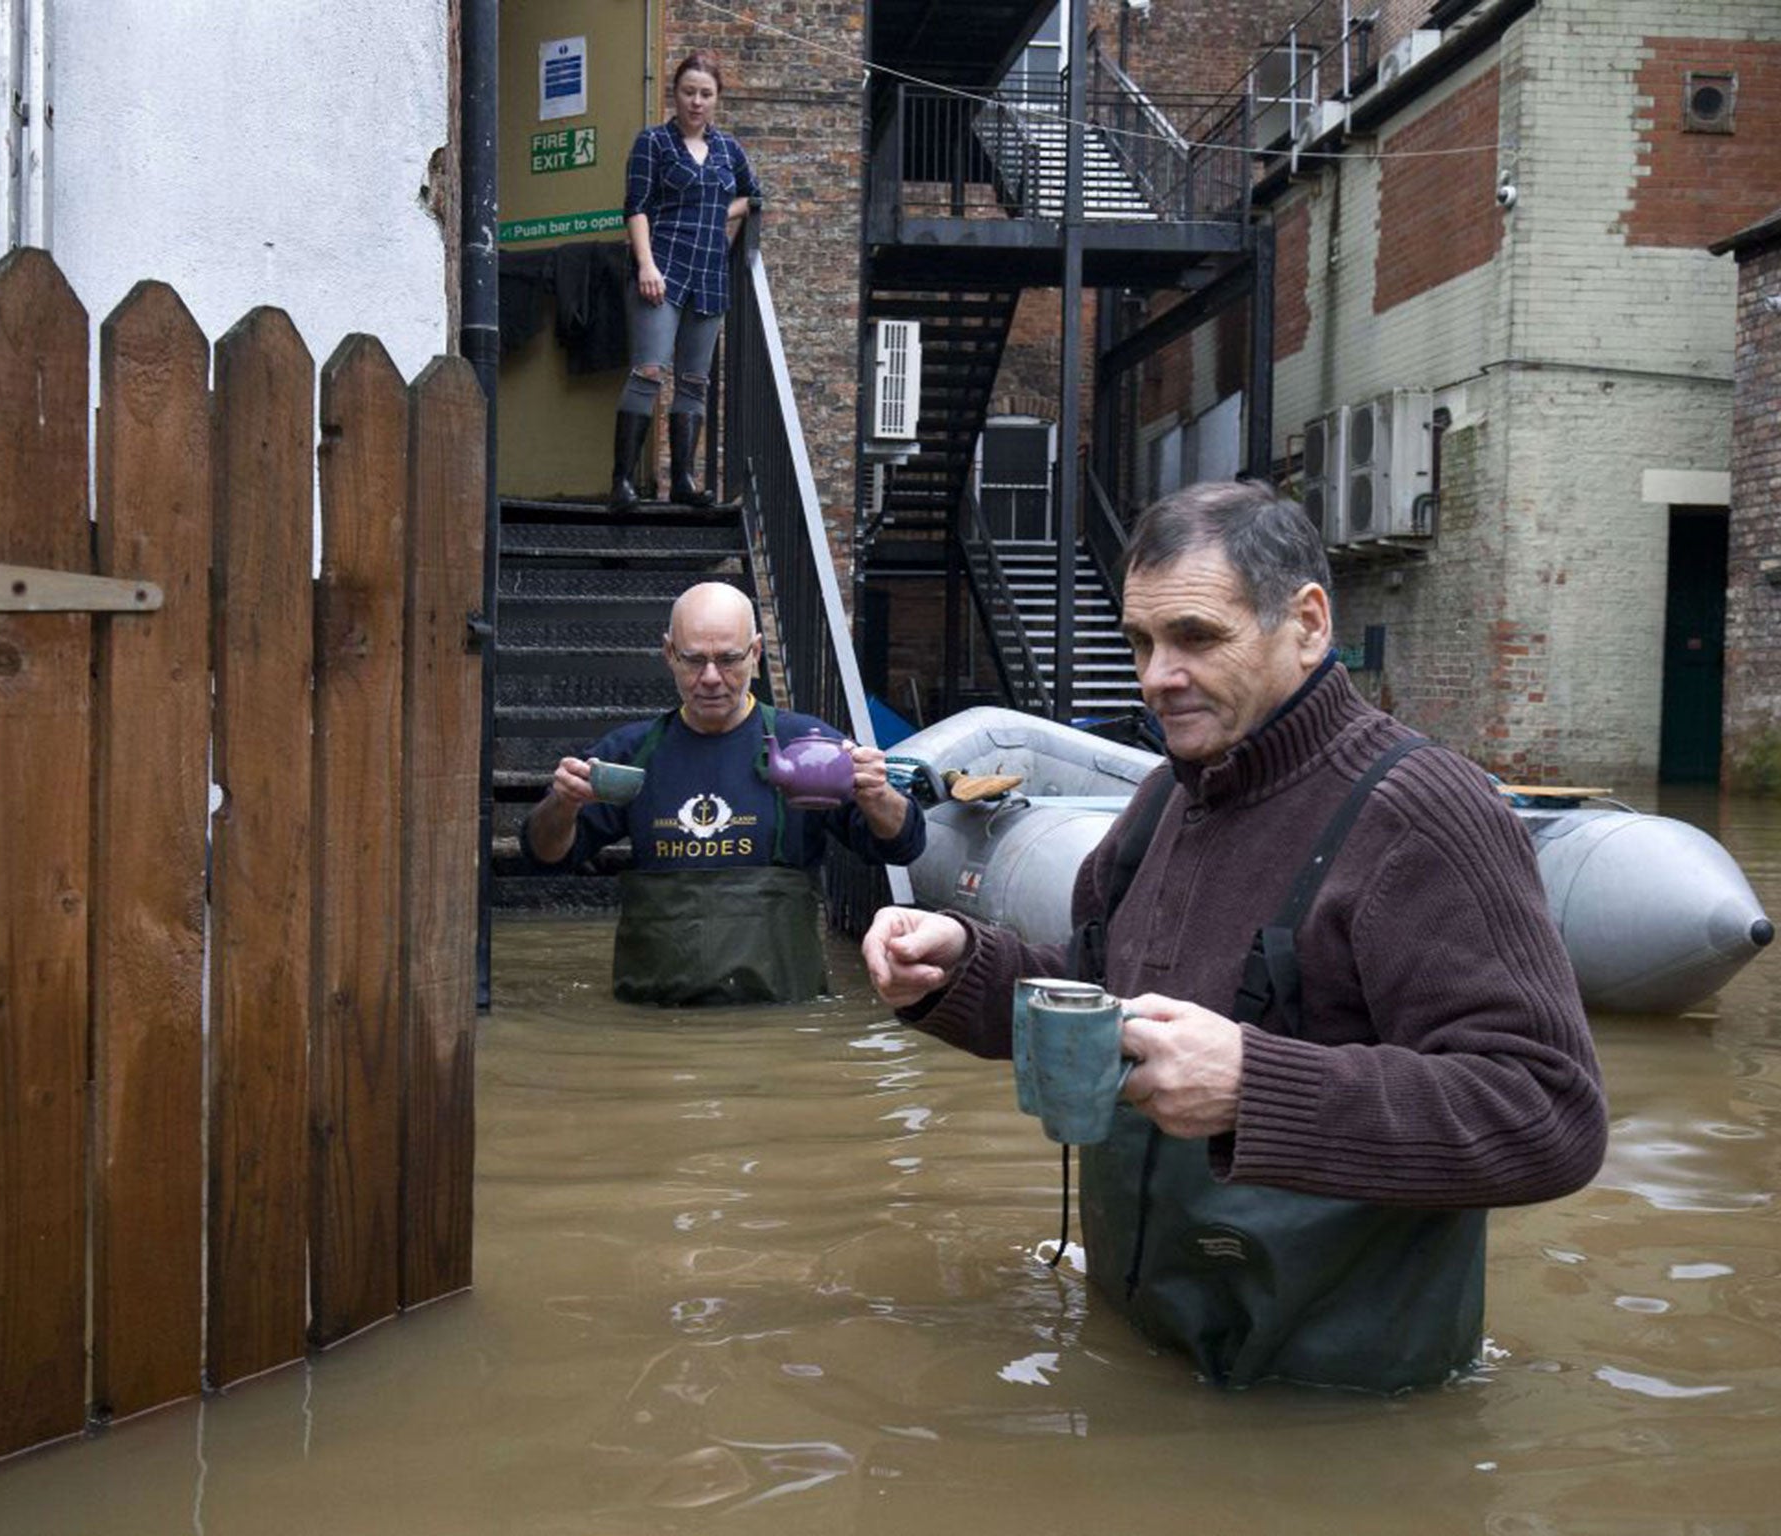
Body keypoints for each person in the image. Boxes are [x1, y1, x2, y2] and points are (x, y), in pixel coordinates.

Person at [860, 479, 1608, 1392]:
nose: (1155, 677)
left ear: (1308, 623)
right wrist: (961, 969)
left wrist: (1257, 1088)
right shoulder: (1161, 802)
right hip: (1146, 1365)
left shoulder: (1425, 817)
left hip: (1340, 1411)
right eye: (1140, 641)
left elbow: (1550, 1115)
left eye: (1196, 638)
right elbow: (1099, 997)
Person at [523, 581, 924, 1007]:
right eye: (694, 660)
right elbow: (544, 855)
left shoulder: (807, 748)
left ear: (755, 652)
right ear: (668, 654)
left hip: (779, 1022)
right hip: (656, 1024)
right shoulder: (628, 755)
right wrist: (563, 803)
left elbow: (903, 845)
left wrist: (878, 794)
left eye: (729, 659)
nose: (711, 678)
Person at [609, 49, 761, 513]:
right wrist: (646, 264)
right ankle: (622, 482)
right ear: (675, 94)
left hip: (710, 275)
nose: (697, 101)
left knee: (694, 380)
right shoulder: (653, 143)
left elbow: (753, 197)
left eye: (706, 94)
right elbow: (635, 206)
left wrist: (721, 213)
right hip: (663, 266)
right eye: (689, 91)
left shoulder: (728, 149)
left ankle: (683, 481)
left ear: (717, 99)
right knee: (649, 370)